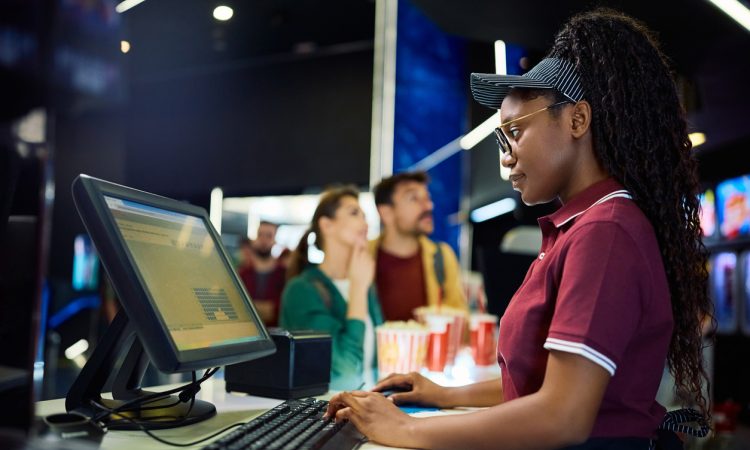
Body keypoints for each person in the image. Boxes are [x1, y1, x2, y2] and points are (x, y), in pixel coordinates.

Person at [325, 9, 711, 449]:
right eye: (500, 138)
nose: (505, 156)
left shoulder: (606, 233)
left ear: (577, 121)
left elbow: (562, 416)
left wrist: (407, 428)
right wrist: (444, 394)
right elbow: (542, 381)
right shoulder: (586, 226)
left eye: (514, 132)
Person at [280, 186, 384, 390]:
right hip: (324, 413)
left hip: (368, 407)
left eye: (364, 215)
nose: (365, 222)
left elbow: (375, 361)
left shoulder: (364, 282)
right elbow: (345, 369)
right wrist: (358, 289)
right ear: (327, 225)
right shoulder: (301, 290)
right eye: (354, 213)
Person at [370, 171, 467, 321]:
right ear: (386, 213)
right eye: (414, 198)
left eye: (427, 198)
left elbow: (461, 320)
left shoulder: (442, 255)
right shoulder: (363, 256)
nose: (428, 205)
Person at [237, 221, 287, 326]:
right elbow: (239, 307)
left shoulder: (285, 274)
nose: (263, 240)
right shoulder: (242, 274)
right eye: (260, 235)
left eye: (269, 235)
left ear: (275, 240)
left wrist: (253, 308)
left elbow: (282, 309)